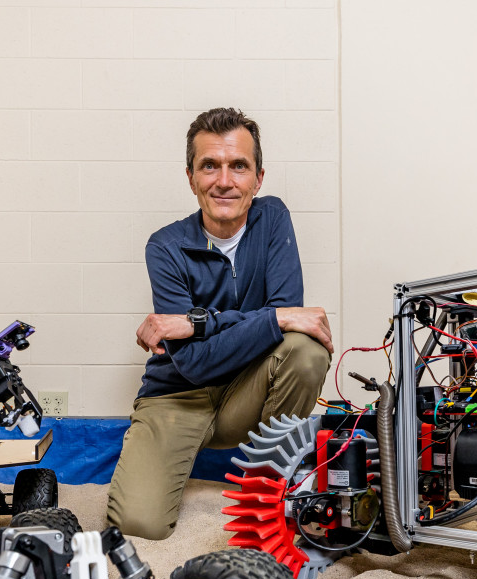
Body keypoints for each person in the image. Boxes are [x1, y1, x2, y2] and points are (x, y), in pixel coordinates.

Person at [106, 107, 333, 540]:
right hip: (177, 396)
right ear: (191, 177)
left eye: (238, 167)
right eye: (209, 166)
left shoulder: (273, 219)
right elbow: (193, 365)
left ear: (258, 178)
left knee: (305, 352)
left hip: (247, 390)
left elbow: (290, 327)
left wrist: (195, 322)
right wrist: (271, 316)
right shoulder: (166, 246)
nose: (224, 181)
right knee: (138, 525)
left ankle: (269, 494)